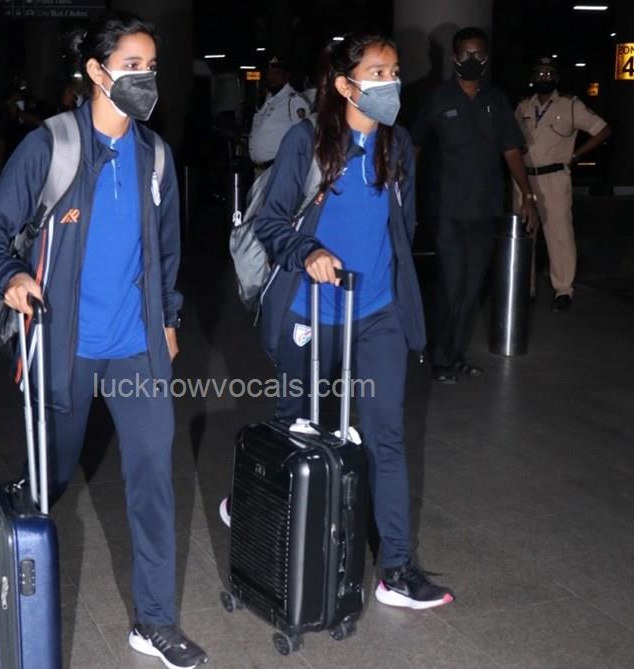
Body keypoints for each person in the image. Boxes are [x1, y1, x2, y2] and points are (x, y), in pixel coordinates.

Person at [0, 12, 208, 669]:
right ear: (97, 72)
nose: (146, 78)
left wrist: (168, 321)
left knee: (153, 478)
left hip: (136, 347)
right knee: (50, 480)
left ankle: (155, 620)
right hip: (63, 346)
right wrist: (10, 275)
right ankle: (10, 597)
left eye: (151, 67)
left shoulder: (155, 156)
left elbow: (166, 251)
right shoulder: (51, 146)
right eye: (132, 66)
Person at [222, 33, 455, 610]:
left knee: (386, 436)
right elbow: (272, 221)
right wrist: (308, 251)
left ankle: (396, 569)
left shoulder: (398, 143)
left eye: (394, 72)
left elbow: (404, 225)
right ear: (347, 85)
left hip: (377, 312)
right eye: (377, 73)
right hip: (310, 309)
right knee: (295, 425)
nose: (390, 83)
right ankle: (253, 498)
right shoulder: (307, 141)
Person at [412, 27, 538, 384]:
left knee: (471, 289)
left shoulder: (496, 100)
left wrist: (527, 195)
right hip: (447, 210)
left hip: (485, 210)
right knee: (452, 285)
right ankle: (440, 358)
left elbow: (511, 150)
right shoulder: (437, 99)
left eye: (478, 54)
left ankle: (456, 355)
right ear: (454, 57)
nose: (472, 60)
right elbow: (415, 147)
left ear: (486, 58)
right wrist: (402, 193)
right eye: (466, 54)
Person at [515, 57, 611, 311]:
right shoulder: (523, 106)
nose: (544, 77)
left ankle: (563, 290)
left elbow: (602, 130)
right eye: (540, 73)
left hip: (555, 178)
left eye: (549, 73)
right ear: (533, 77)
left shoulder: (570, 105)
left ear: (556, 78)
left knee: (559, 235)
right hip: (524, 179)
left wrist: (577, 155)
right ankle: (525, 287)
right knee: (524, 234)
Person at [248, 57, 310, 172]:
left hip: (280, 168)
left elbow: (305, 136)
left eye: (276, 73)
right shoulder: (268, 99)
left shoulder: (293, 100)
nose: (271, 77)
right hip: (261, 169)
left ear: (286, 76)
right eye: (269, 73)